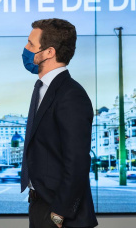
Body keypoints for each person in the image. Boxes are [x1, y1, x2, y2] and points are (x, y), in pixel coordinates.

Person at [21, 18, 98, 228]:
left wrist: (59, 214)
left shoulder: (71, 94)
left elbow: (77, 161)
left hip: (59, 215)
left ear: (49, 52)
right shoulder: (43, 89)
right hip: (40, 204)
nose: (25, 49)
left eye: (30, 44)